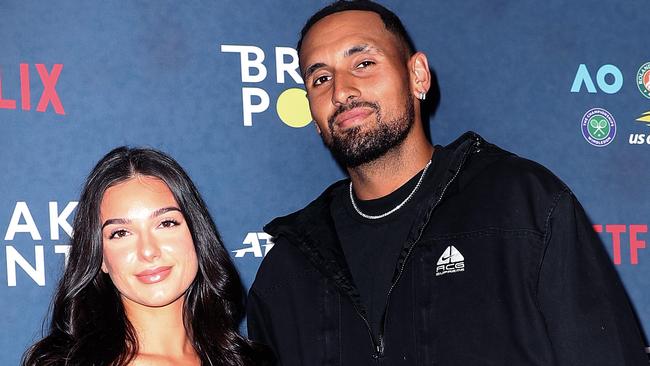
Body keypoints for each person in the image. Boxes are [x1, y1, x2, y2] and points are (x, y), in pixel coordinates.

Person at [246, 1, 647, 365]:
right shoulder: (289, 267)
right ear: (313, 115)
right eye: (320, 79)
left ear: (417, 75)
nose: (342, 91)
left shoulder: (523, 206)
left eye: (363, 63)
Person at [22, 147, 269, 366]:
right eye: (120, 233)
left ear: (197, 234)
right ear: (100, 259)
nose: (148, 250)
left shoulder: (245, 359)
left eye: (166, 223)